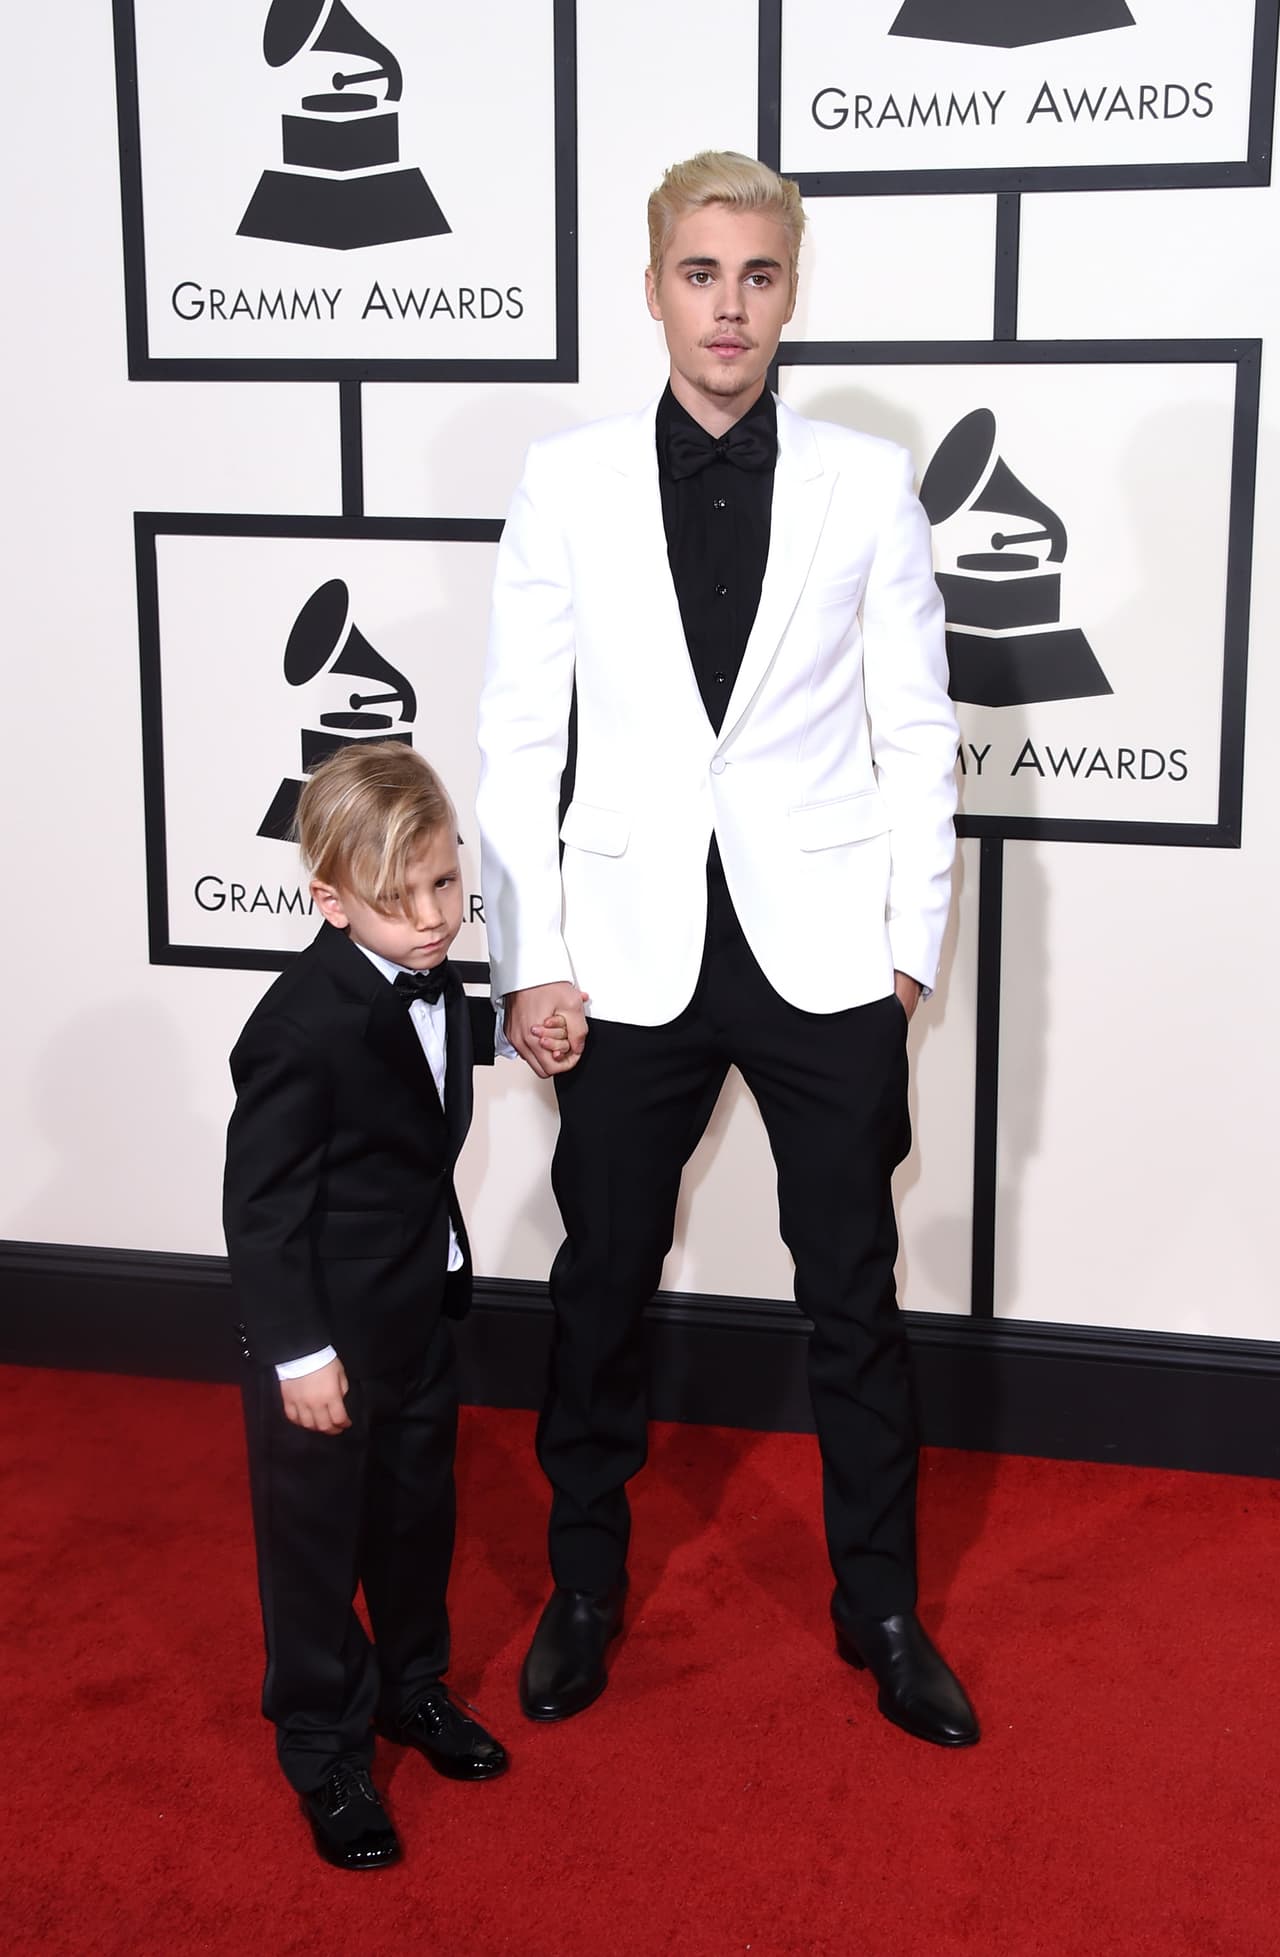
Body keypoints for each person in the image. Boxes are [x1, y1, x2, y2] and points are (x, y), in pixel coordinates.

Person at [476, 151, 978, 1749]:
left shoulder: (867, 482)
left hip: (824, 948)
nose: (730, 306)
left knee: (855, 1293)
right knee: (602, 1281)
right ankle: (583, 1586)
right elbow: (517, 738)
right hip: (625, 950)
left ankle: (881, 1606)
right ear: (653, 289)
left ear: (791, 291)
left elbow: (918, 733)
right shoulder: (566, 482)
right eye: (701, 273)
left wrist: (907, 955)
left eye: (758, 276)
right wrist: (530, 956)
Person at [223, 741, 527, 1870]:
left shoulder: (438, 982)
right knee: (314, 1548)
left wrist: (523, 1031)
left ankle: (413, 1687)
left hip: (416, 1311)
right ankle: (323, 1747)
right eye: (399, 899)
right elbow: (260, 1209)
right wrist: (297, 1353)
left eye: (444, 882)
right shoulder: (296, 1026)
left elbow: (413, 1112)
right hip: (326, 1340)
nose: (433, 917)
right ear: (330, 898)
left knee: (414, 1518)